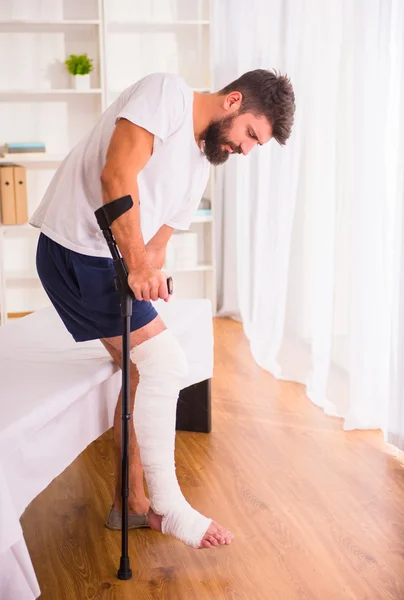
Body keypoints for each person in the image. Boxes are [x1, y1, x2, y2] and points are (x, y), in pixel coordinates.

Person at [30, 69, 295, 549]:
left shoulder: (200, 165)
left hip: (102, 260)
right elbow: (115, 174)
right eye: (250, 135)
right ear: (233, 102)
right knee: (166, 362)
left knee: (142, 370)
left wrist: (150, 276)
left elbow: (156, 247)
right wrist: (135, 268)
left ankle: (131, 506)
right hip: (75, 248)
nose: (244, 150)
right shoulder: (166, 94)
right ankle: (167, 506)